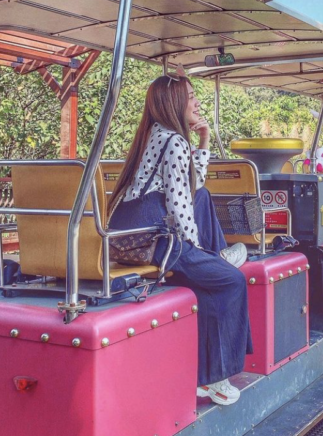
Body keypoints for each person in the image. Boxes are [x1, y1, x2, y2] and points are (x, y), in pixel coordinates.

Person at [108, 73, 252, 406]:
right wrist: (195, 249)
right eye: (190, 97)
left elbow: (193, 186)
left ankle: (217, 256)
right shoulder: (172, 140)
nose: (197, 102)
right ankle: (216, 379)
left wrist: (203, 141)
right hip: (157, 239)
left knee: (202, 198)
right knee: (231, 282)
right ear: (173, 103)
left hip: (134, 232)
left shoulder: (157, 135)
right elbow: (178, 202)